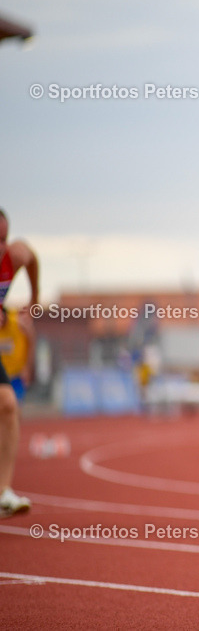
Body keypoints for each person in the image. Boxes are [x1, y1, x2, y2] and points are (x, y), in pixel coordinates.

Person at [0, 208, 40, 517]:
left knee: (8, 404)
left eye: (3, 238)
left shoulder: (12, 257)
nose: (1, 246)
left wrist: (35, 298)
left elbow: (32, 257)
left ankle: (3, 492)